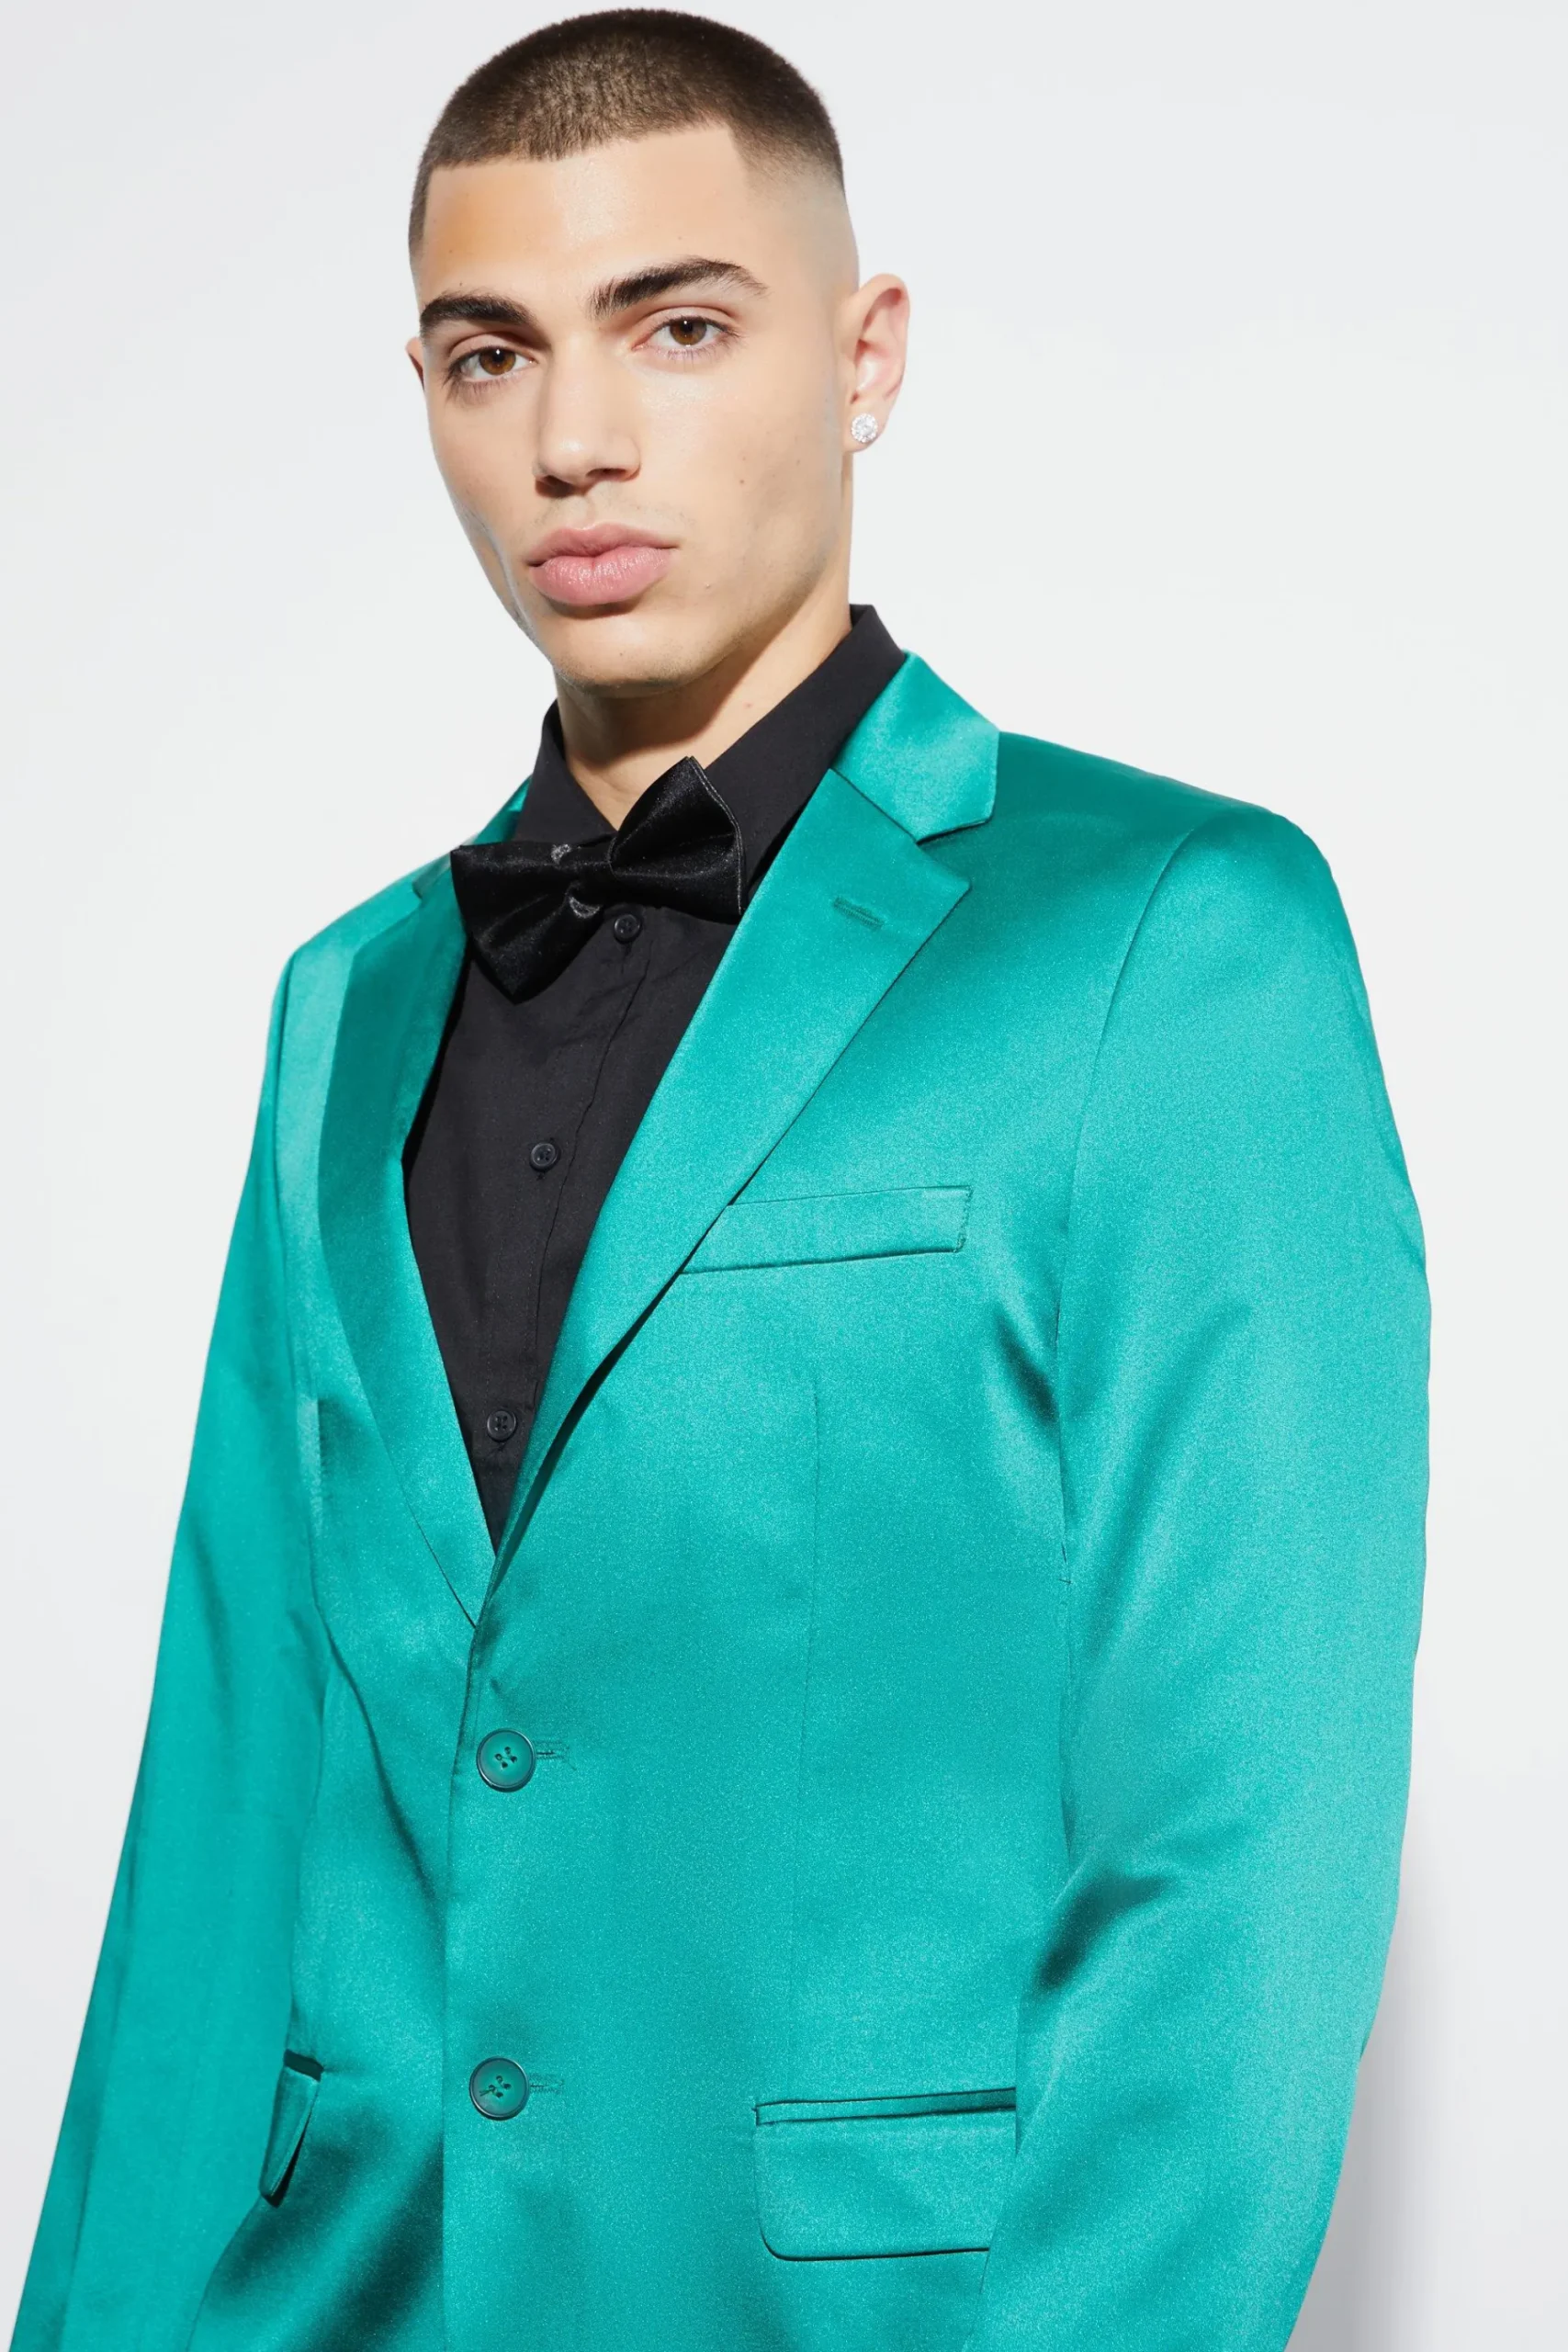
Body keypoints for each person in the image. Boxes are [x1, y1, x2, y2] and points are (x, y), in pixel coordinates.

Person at [11, 13, 1428, 2352]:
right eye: (493, 354)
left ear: (864, 358)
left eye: (675, 327)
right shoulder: (343, 1002)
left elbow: (1236, 1862)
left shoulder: (1171, 940)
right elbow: (229, 1799)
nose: (573, 438)